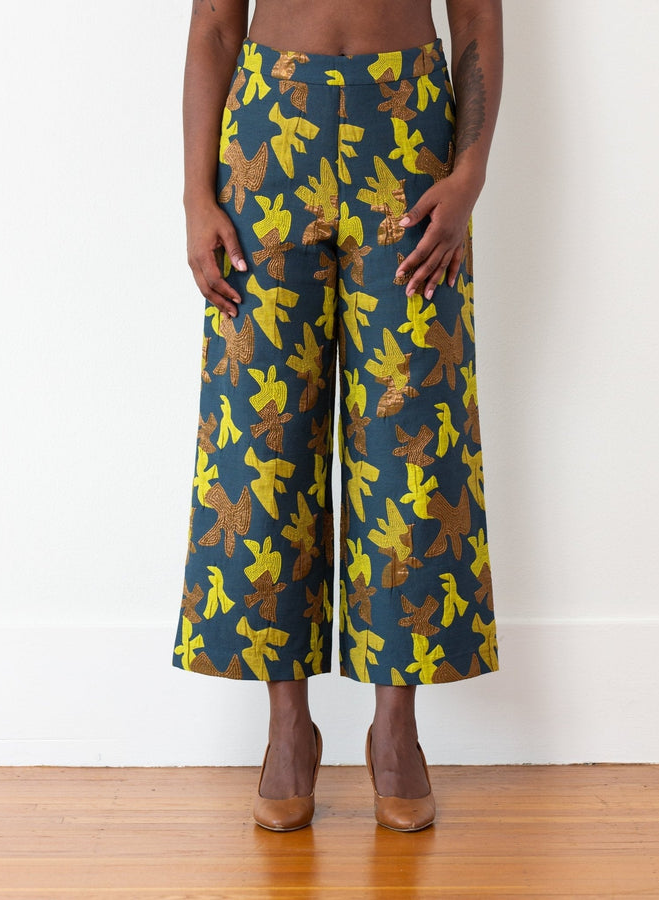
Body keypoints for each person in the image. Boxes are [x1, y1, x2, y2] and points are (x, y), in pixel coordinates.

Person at [172, 0, 503, 832]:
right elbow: (215, 25)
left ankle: (396, 728)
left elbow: (476, 16)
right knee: (262, 439)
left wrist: (470, 172)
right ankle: (288, 724)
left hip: (408, 131)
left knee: (412, 441)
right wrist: (196, 194)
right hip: (269, 127)